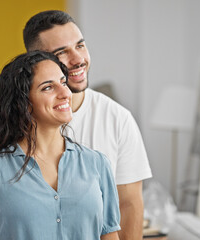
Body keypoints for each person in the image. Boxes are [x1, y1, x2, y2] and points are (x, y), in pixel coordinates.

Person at [0, 51, 121, 240]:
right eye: (48, 88)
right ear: (24, 103)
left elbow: (109, 235)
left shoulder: (97, 164)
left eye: (63, 82)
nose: (65, 93)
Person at [23, 10, 152, 239]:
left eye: (80, 46)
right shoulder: (12, 122)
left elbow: (130, 205)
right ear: (36, 61)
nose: (77, 59)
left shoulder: (118, 119)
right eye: (61, 52)